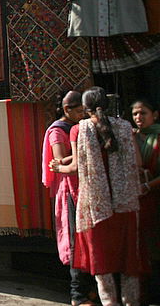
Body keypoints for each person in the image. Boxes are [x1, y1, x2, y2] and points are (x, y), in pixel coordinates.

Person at [56, 86, 146, 306]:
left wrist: (58, 168)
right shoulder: (125, 127)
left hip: (96, 207)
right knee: (128, 259)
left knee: (101, 261)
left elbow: (76, 167)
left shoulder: (79, 129)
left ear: (86, 109)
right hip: (125, 205)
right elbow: (138, 163)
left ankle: (109, 303)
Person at [44, 91, 96, 306]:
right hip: (69, 190)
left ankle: (90, 290)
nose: (83, 115)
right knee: (75, 240)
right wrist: (80, 155)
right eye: (80, 111)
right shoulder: (58, 130)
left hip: (84, 187)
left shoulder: (80, 127)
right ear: (67, 110)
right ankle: (78, 295)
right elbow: (58, 161)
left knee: (88, 237)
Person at [132, 98, 160, 303]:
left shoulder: (158, 138)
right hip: (138, 200)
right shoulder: (131, 138)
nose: (138, 118)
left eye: (143, 113)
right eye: (135, 114)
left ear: (155, 115)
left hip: (155, 197)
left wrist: (148, 186)